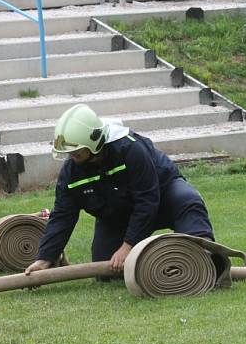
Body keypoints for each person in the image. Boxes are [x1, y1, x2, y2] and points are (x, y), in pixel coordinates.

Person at [23, 104, 214, 277]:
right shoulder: (71, 174)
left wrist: (128, 246)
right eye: (69, 153)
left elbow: (147, 199)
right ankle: (155, 254)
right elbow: (63, 215)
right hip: (118, 214)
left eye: (77, 152)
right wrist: (45, 258)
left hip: (161, 196)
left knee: (186, 199)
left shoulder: (131, 149)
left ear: (94, 144)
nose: (72, 157)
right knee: (106, 271)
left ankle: (205, 255)